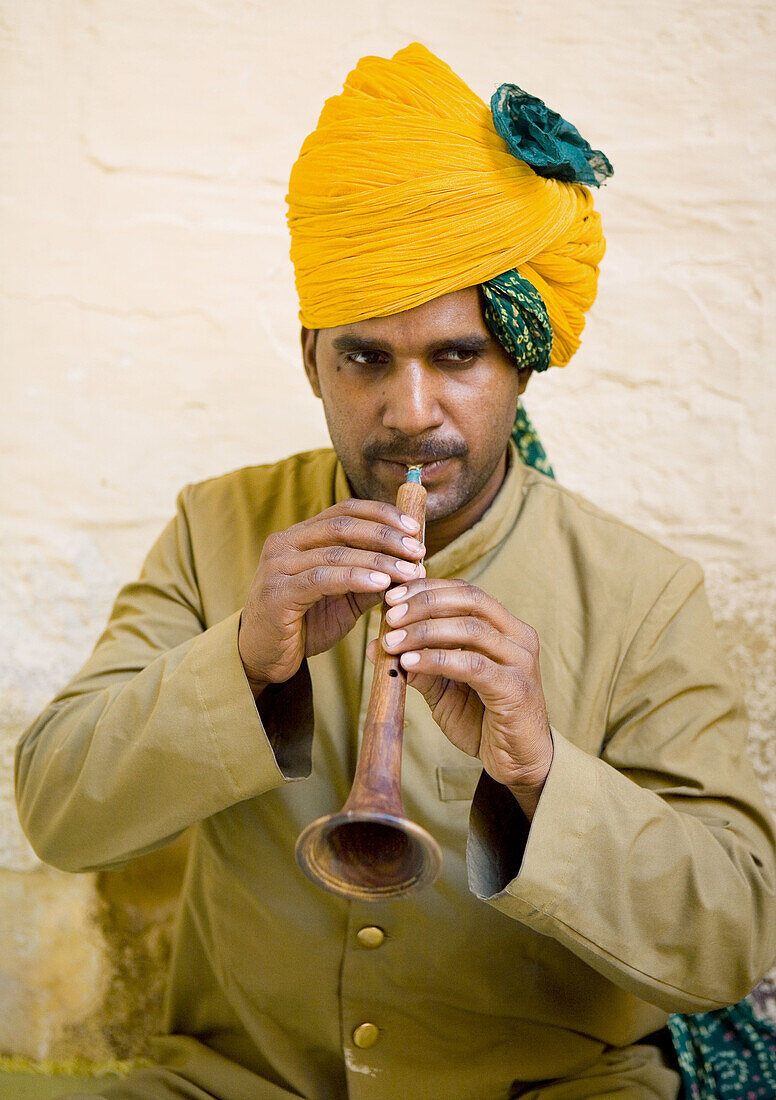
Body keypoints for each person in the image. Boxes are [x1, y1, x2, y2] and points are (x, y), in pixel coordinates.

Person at [15, 43, 776, 1100]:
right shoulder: (215, 527)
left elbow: (730, 936)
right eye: (364, 357)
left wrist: (539, 772)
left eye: (456, 356)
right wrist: (239, 659)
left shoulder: (642, 593)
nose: (410, 411)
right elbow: (60, 813)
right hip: (239, 1081)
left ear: (520, 361)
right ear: (311, 360)